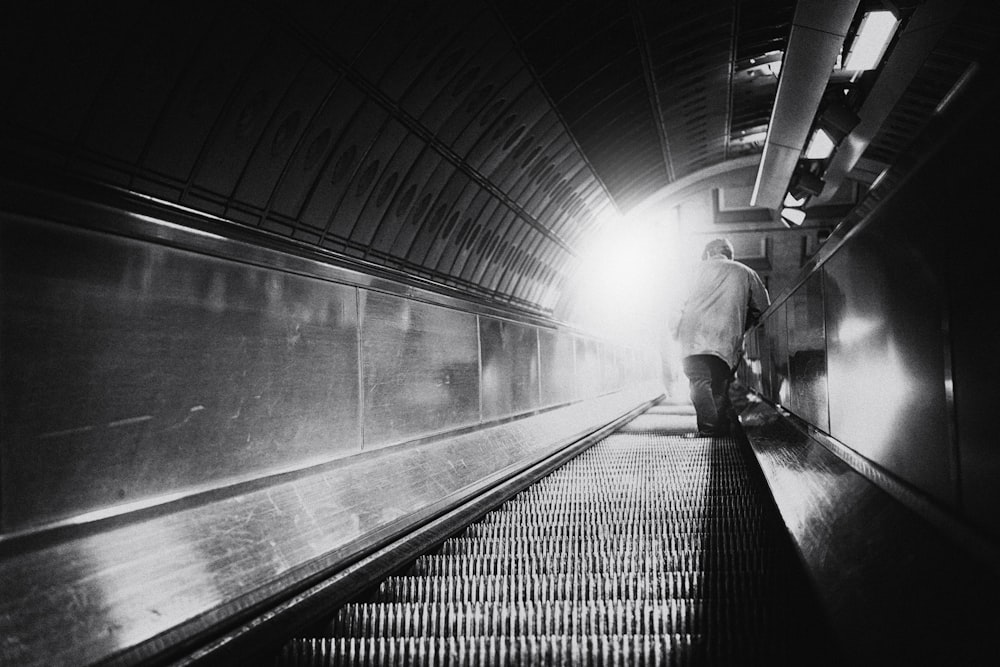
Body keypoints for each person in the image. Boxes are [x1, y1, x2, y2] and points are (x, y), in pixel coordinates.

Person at [673, 238, 769, 436]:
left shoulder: (691, 270)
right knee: (719, 384)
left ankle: (710, 430)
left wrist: (674, 331)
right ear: (730, 255)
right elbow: (763, 308)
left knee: (699, 381)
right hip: (727, 340)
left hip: (694, 338)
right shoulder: (745, 272)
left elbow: (676, 305)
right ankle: (718, 430)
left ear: (708, 253)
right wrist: (743, 325)